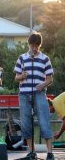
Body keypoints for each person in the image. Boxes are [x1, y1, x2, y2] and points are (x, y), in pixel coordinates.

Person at [14, 32, 54, 160]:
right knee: (26, 123)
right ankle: (31, 152)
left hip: (39, 93)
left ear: (39, 45)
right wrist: (22, 76)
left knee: (44, 121)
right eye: (32, 46)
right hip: (24, 94)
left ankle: (50, 153)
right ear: (29, 44)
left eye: (37, 46)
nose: (35, 48)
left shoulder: (45, 59)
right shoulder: (22, 58)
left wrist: (42, 85)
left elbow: (50, 79)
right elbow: (16, 77)